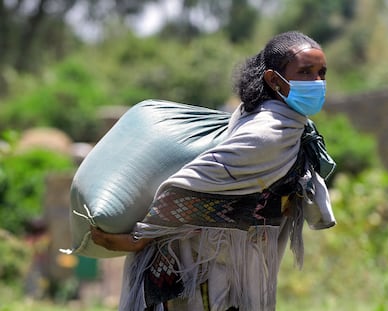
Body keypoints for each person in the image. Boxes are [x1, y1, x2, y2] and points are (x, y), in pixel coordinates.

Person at [91, 30, 335, 311]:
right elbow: (189, 185)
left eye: (322, 73)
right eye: (305, 72)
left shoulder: (275, 121)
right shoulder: (269, 132)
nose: (317, 82)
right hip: (204, 268)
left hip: (228, 263)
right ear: (272, 79)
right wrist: (140, 238)